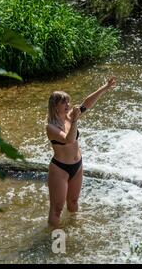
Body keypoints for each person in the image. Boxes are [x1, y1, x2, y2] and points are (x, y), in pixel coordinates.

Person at [46, 76, 116, 229]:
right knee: (56, 210)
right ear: (55, 106)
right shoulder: (51, 127)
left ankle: (73, 230)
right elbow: (69, 140)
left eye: (68, 102)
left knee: (73, 203)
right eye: (64, 102)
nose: (68, 105)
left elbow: (86, 103)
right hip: (60, 170)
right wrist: (75, 120)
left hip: (77, 166)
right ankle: (56, 242)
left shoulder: (70, 116)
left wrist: (105, 87)